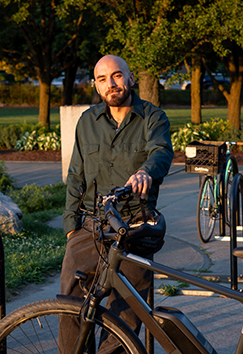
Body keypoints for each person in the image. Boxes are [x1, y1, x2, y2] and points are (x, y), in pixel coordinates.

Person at [59, 54, 174, 352]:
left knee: (126, 315)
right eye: (102, 79)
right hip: (91, 225)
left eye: (117, 75)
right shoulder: (87, 122)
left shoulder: (153, 117)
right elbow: (76, 174)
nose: (111, 84)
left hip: (134, 227)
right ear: (97, 87)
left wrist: (146, 171)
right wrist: (71, 227)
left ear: (131, 78)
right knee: (72, 306)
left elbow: (160, 152)